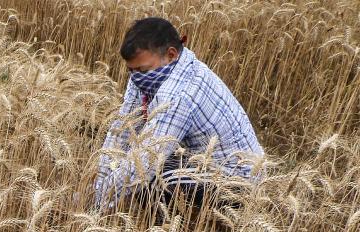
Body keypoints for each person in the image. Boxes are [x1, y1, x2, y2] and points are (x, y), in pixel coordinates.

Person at [94, 17, 264, 212]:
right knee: (129, 163)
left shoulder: (180, 96)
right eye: (131, 70)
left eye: (141, 70)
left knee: (150, 181)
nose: (135, 77)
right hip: (200, 161)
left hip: (236, 182)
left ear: (171, 54)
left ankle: (180, 231)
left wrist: (98, 204)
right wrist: (99, 183)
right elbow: (122, 129)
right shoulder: (152, 71)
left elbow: (144, 162)